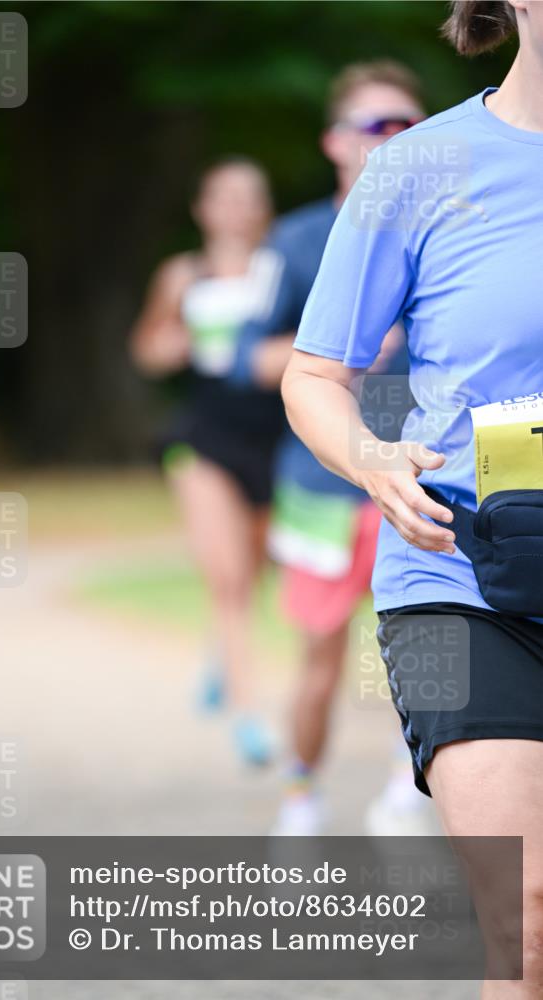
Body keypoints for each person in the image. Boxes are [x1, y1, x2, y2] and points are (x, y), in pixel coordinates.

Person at [282, 2, 542, 996]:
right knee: (524, 919)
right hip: (460, 573)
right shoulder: (419, 168)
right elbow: (314, 375)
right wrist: (372, 459)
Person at [232, 61, 431, 835]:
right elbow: (244, 357)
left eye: (407, 127)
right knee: (319, 658)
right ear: (335, 142)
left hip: (418, 482)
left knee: (424, 654)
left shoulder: (449, 230)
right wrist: (336, 349)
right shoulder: (296, 238)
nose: (393, 140)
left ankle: (403, 792)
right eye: (376, 126)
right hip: (320, 486)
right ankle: (300, 801)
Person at [130, 157, 286, 766]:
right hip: (203, 439)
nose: (236, 209)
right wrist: (171, 346)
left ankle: (220, 656)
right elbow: (146, 348)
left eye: (249, 197)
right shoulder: (181, 275)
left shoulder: (283, 272)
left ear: (263, 210)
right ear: (202, 208)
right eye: (223, 196)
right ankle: (250, 717)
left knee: (253, 568)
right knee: (229, 581)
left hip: (274, 438)